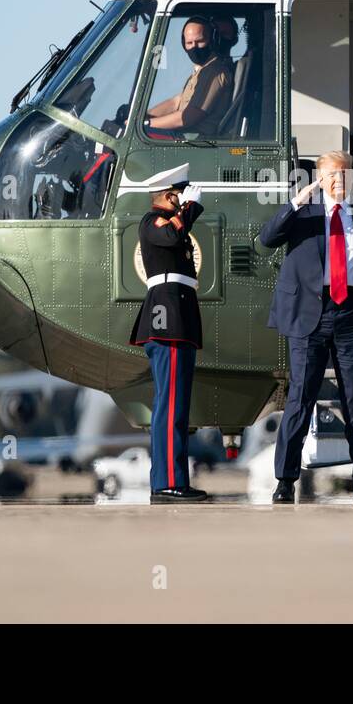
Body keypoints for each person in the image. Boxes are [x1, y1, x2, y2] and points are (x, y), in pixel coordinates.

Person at [258, 150, 353, 504]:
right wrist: (297, 201)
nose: (340, 182)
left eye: (346, 176)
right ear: (320, 178)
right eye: (333, 176)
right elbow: (267, 239)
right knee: (300, 400)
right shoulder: (303, 213)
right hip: (310, 313)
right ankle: (285, 480)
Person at [129, 162, 209, 503]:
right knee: (170, 404)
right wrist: (190, 209)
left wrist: (188, 209)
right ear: (166, 195)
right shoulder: (152, 223)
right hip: (168, 315)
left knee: (175, 404)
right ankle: (167, 483)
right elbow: (171, 235)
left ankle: (172, 479)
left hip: (179, 312)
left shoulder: (167, 221)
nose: (183, 199)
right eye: (179, 194)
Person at [143, 17, 234, 136]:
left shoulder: (214, 72)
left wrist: (146, 124)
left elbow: (189, 117)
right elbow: (176, 102)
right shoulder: (201, 70)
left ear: (212, 40)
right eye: (189, 43)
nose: (194, 47)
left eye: (200, 41)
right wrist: (144, 116)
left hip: (196, 138)